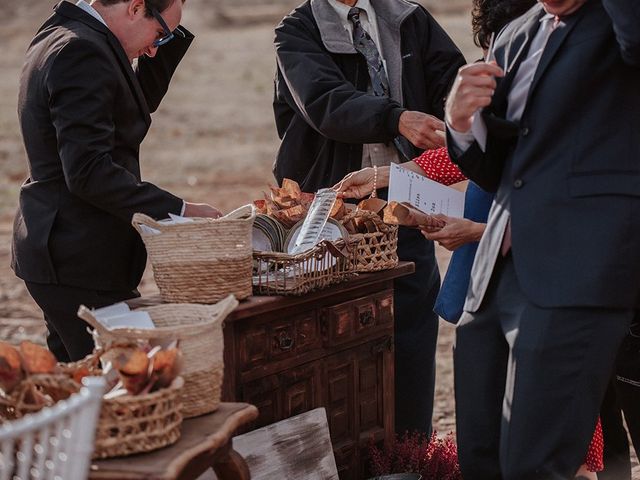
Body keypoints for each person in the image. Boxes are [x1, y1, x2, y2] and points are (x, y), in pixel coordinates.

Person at [444, 0, 640, 478]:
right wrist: (461, 123)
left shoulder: (621, 23)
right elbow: (500, 169)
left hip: (577, 276)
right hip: (494, 278)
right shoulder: (515, 34)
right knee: (481, 459)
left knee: (535, 465)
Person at [273, 0, 465, 434]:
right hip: (332, 211)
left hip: (404, 202)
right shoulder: (297, 30)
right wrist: (397, 118)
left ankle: (411, 453)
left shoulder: (408, 17)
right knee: (337, 340)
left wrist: (456, 120)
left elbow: (453, 83)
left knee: (413, 329)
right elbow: (326, 102)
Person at [12, 0, 221, 363]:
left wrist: (158, 42)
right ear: (136, 7)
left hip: (61, 249)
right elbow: (88, 171)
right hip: (76, 255)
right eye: (159, 34)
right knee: (120, 386)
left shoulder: (66, 33)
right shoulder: (82, 50)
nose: (155, 48)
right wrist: (180, 211)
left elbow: (125, 112)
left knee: (78, 388)